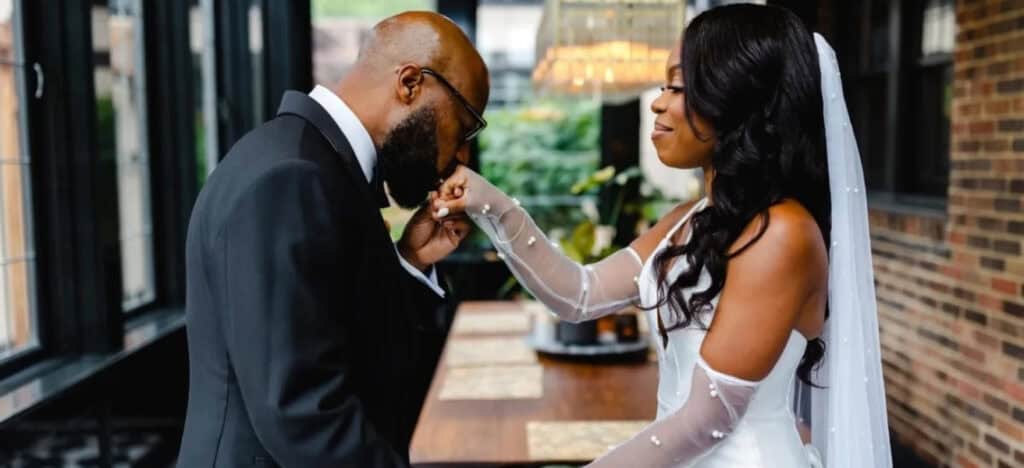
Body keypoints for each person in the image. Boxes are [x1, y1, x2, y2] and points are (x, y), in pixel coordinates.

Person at [434, 4, 891, 467]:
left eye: (677, 86)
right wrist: (488, 203)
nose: (657, 102)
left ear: (736, 99)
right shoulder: (688, 219)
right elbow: (577, 294)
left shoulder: (782, 233)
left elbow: (705, 420)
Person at [177, 12, 487, 467]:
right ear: (409, 84)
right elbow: (302, 413)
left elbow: (346, 341)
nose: (460, 156)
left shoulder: (315, 163)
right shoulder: (291, 176)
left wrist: (411, 261)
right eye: (462, 129)